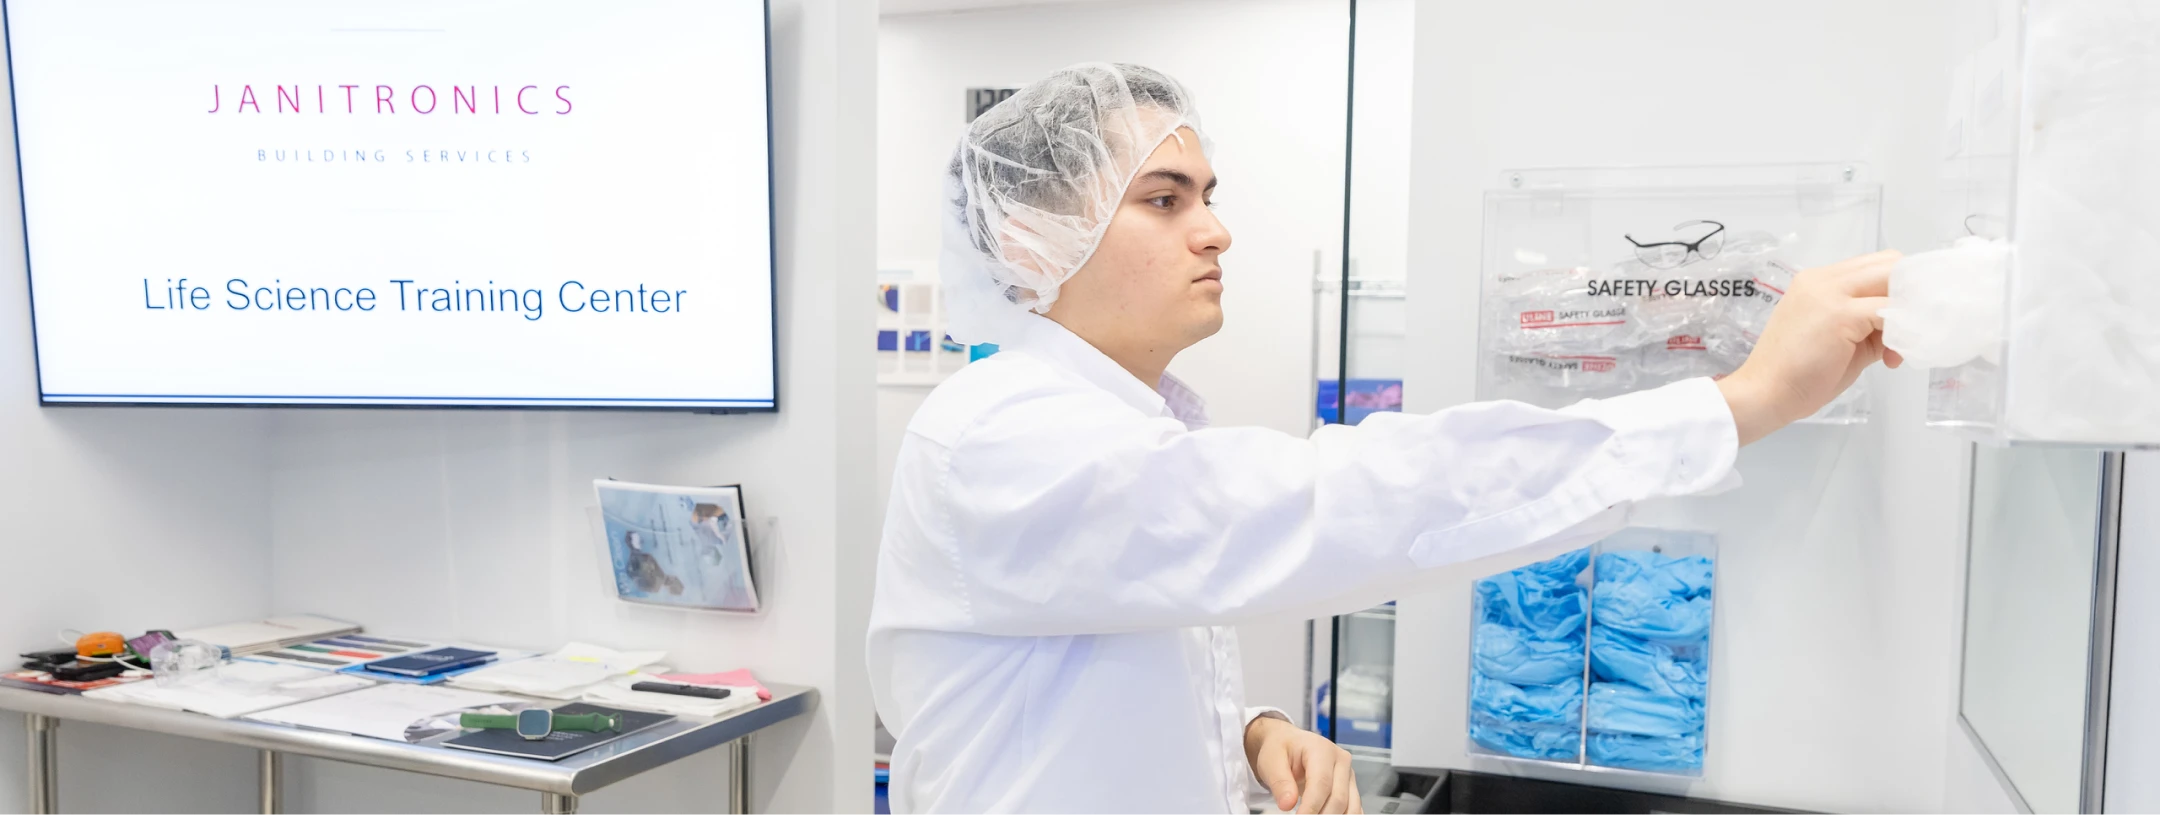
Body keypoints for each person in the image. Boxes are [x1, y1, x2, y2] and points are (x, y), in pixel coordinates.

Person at [867, 63, 1902, 815]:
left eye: (1208, 197)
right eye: (1163, 200)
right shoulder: (1004, 441)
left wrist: (1246, 734)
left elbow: (1075, 673)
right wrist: (1741, 400)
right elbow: (1348, 497)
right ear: (1029, 243)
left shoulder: (1114, 429)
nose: (1216, 229)